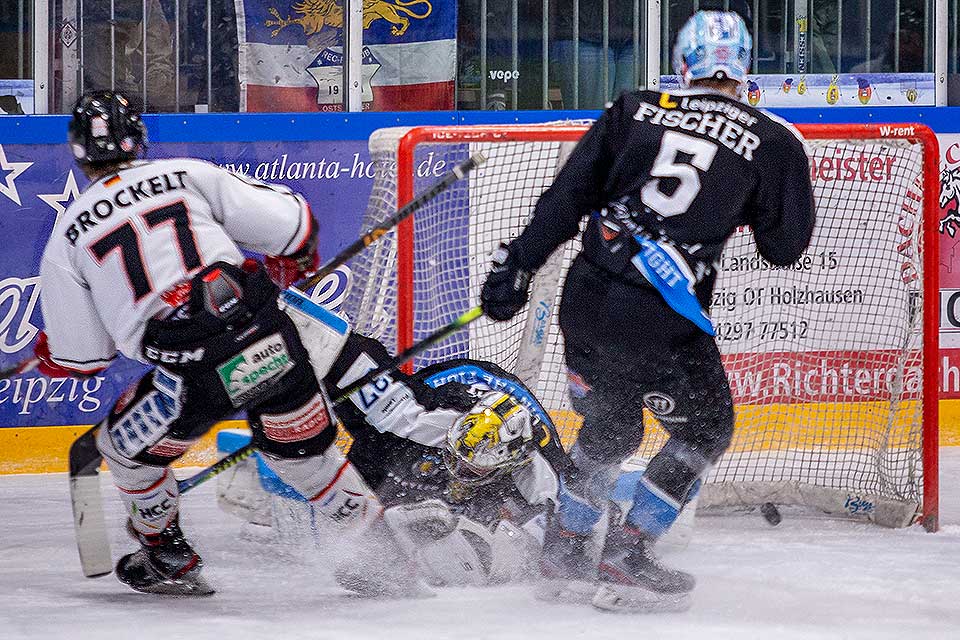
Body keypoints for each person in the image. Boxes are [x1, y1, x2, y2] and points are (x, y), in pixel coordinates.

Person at [480, 10, 815, 613]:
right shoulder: (773, 139)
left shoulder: (632, 109)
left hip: (585, 302)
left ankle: (565, 549)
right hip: (661, 321)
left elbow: (567, 197)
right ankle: (627, 553)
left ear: (682, 63)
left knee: (609, 431)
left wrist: (516, 266)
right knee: (706, 429)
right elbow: (784, 248)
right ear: (744, 70)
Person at [36, 90, 394, 596]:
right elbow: (295, 226)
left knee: (124, 451)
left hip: (193, 375)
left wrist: (54, 356)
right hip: (270, 341)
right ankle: (383, 556)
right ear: (139, 137)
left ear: (77, 151)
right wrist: (290, 265)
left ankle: (166, 552)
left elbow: (85, 356)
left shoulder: (68, 234)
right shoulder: (188, 174)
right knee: (304, 459)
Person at [218, 331, 577, 587]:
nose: (456, 468)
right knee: (369, 465)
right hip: (438, 399)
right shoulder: (424, 422)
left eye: (469, 467)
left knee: (507, 531)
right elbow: (376, 433)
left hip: (499, 431)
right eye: (455, 457)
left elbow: (563, 516)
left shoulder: (536, 464)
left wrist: (554, 553)